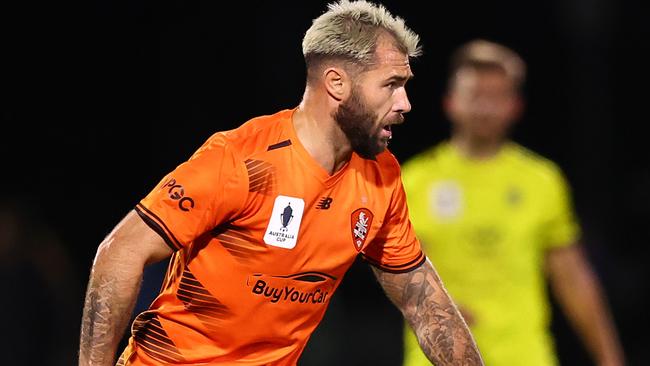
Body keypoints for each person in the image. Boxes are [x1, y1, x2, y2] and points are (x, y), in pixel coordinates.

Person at [78, 1, 484, 365]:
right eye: (391, 85)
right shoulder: (241, 159)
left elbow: (425, 304)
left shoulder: (381, 176)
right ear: (337, 83)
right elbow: (120, 252)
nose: (405, 104)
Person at [401, 38, 625, 366]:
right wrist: (431, 307)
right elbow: (397, 271)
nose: (485, 107)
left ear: (515, 105)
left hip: (523, 356)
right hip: (437, 358)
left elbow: (573, 279)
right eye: (475, 95)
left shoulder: (542, 180)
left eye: (497, 96)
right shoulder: (413, 180)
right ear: (450, 102)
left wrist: (610, 358)